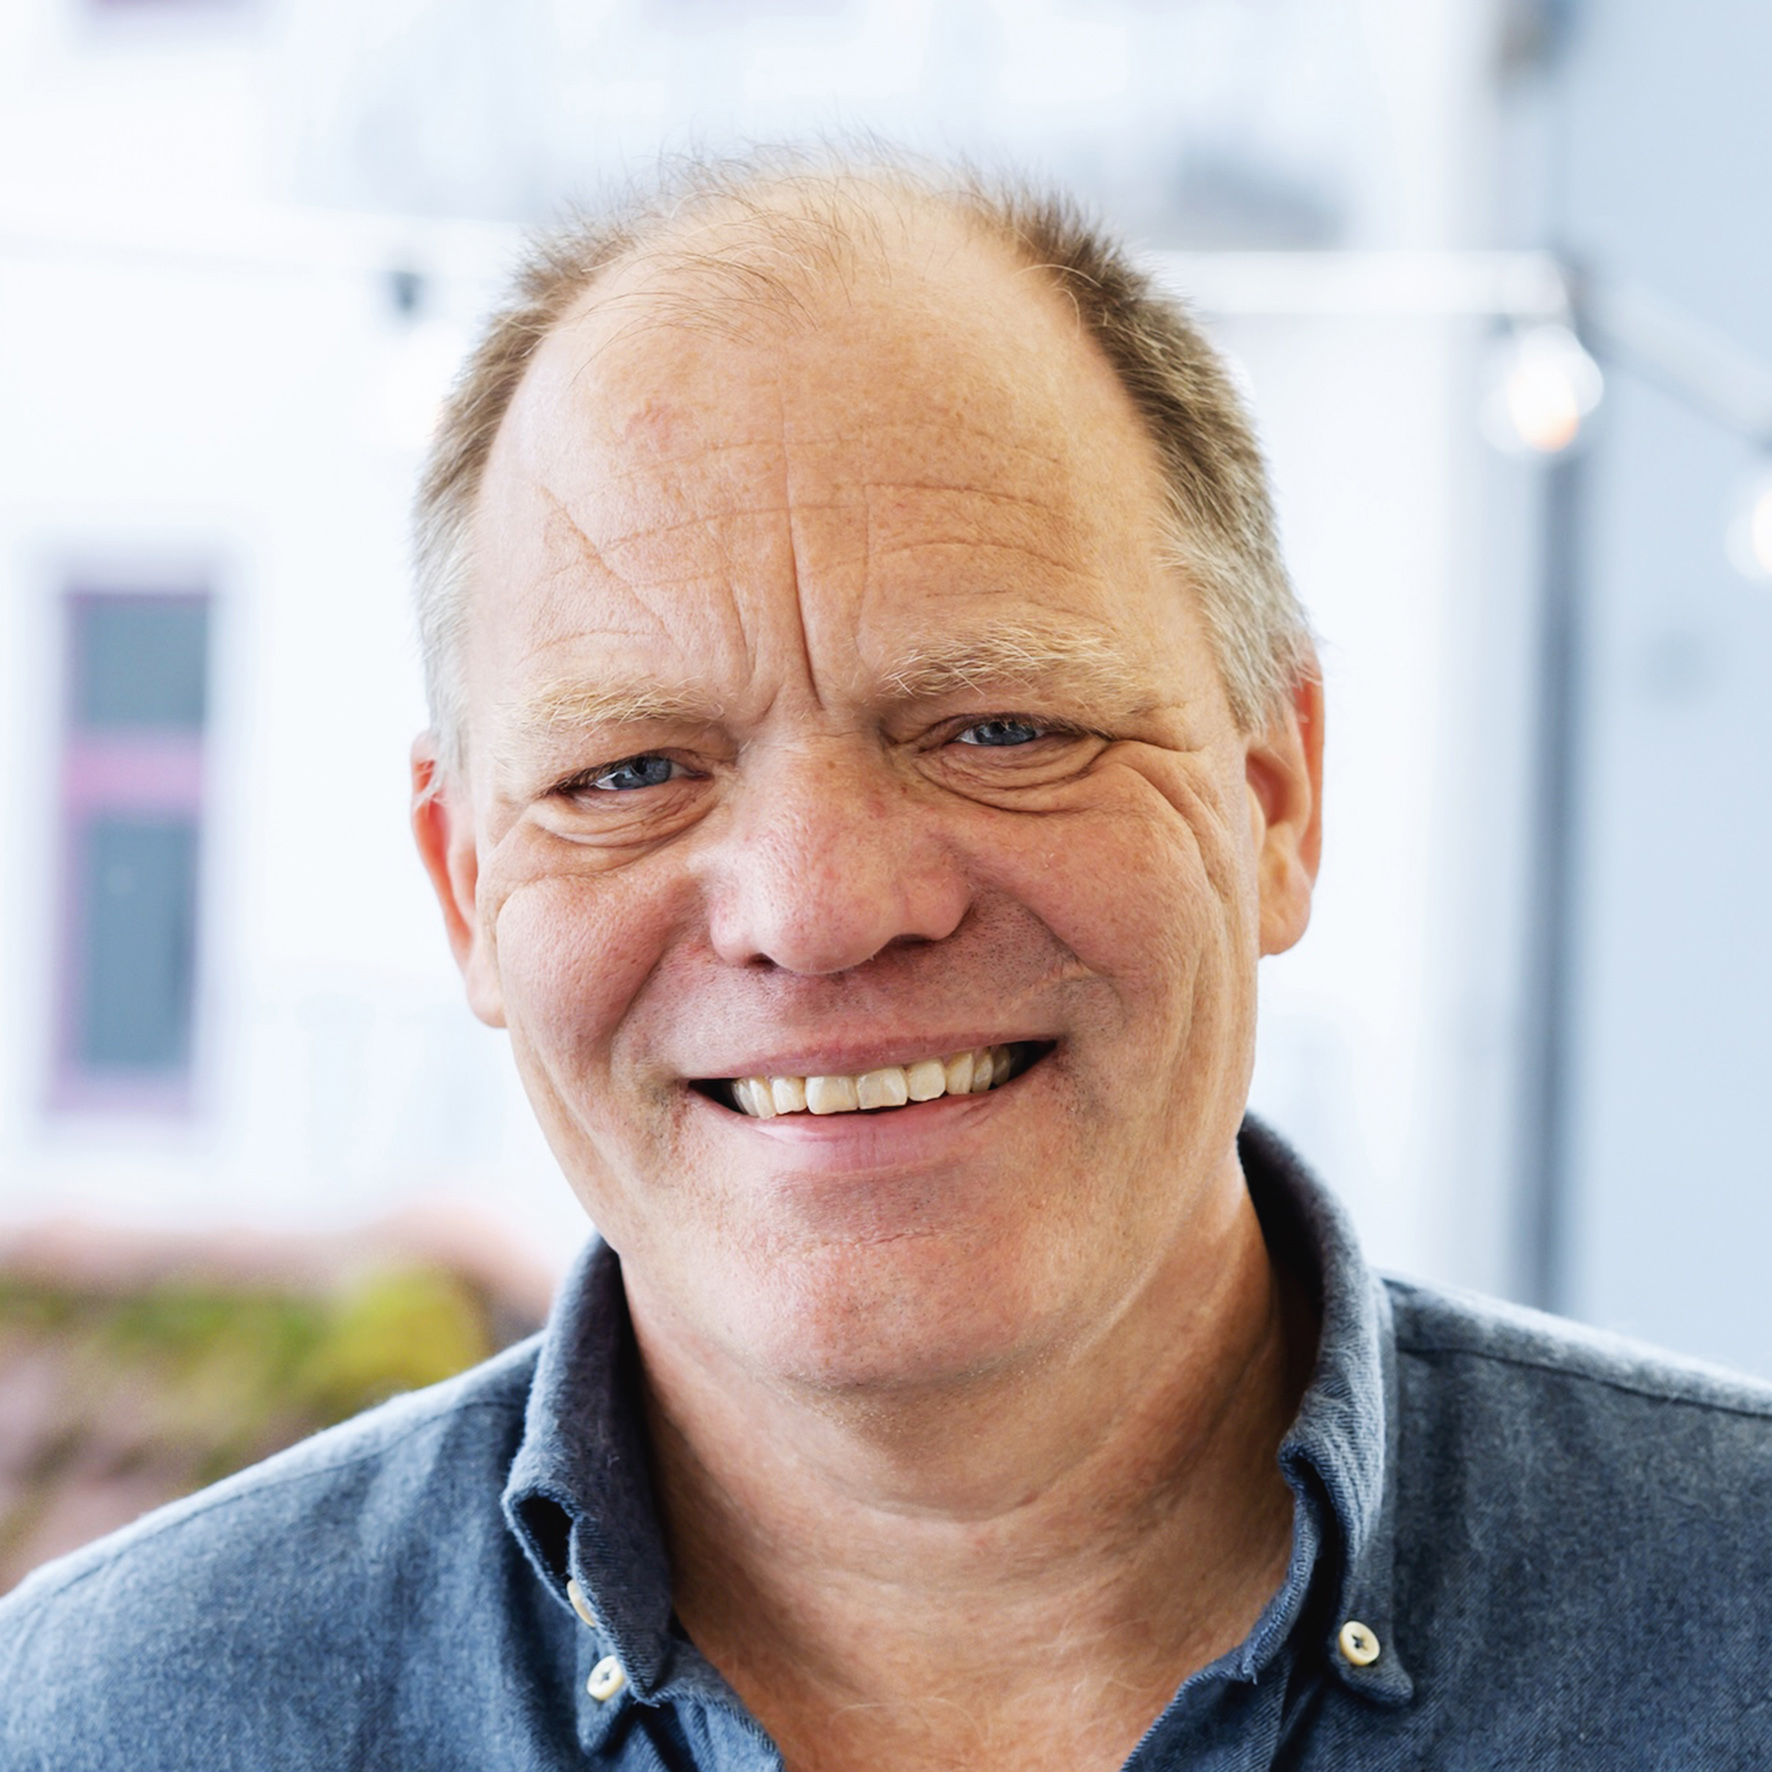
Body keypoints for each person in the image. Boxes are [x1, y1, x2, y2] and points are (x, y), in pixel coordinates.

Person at [3, 152, 1769, 1770]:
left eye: (999, 728)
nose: (819, 908)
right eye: (630, 772)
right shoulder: (105, 1725)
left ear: (1275, 798)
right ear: (467, 889)